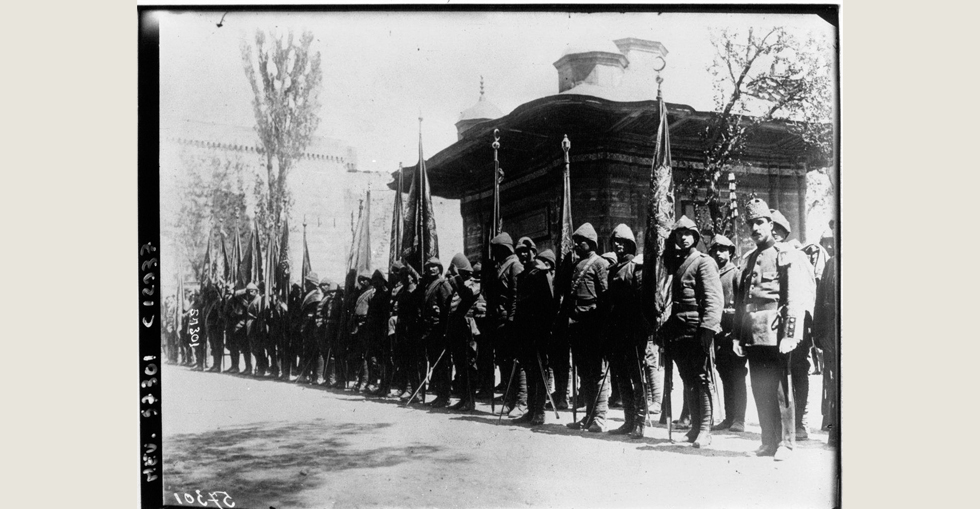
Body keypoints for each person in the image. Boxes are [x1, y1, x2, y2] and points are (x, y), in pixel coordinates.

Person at [734, 199, 815, 461]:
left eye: (760, 223)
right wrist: (738, 335)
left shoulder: (786, 254)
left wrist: (791, 334)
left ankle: (786, 443)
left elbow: (794, 297)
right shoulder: (750, 258)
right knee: (760, 388)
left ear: (770, 224)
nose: (755, 228)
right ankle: (768, 441)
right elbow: (742, 300)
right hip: (754, 332)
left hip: (776, 331)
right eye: (751, 224)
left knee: (781, 389)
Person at [662, 216, 723, 448]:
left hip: (697, 328)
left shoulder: (703, 262)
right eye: (680, 234)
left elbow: (713, 298)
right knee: (687, 378)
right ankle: (695, 427)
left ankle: (705, 429)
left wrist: (708, 328)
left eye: (689, 234)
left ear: (696, 237)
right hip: (678, 329)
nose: (684, 237)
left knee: (701, 377)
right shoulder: (676, 263)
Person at [770, 209, 818, 440]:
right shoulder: (765, 256)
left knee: (798, 371)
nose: (772, 234)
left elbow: (805, 295)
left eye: (776, 230)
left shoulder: (797, 256)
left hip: (798, 324)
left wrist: (797, 329)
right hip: (773, 326)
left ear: (783, 232)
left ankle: (800, 423)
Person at [562, 223, 611, 433]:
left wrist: (602, 325)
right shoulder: (576, 265)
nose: (575, 246)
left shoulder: (599, 264)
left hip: (593, 325)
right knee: (584, 373)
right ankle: (588, 415)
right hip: (578, 326)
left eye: (579, 242)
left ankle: (599, 417)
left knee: (597, 372)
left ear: (590, 243)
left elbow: (605, 295)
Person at [603, 224, 650, 438]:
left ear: (631, 243)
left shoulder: (637, 267)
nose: (618, 246)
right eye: (615, 242)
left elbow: (642, 301)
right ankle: (628, 419)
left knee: (637, 377)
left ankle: (640, 422)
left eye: (622, 242)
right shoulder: (613, 269)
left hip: (633, 331)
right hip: (615, 330)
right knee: (621, 377)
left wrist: (641, 330)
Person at [513, 248, 559, 425]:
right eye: (520, 252)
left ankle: (539, 411)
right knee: (530, 371)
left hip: (539, 331)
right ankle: (531, 410)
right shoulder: (522, 275)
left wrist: (543, 330)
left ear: (533, 252)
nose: (523, 255)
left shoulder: (541, 274)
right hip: (524, 331)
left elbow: (549, 304)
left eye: (526, 252)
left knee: (540, 371)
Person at [709, 234, 747, 433]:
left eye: (723, 250)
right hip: (716, 330)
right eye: (715, 250)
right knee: (724, 373)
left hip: (732, 330)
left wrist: (736, 333)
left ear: (731, 252)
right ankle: (728, 416)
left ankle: (739, 419)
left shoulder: (736, 274)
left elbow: (741, 305)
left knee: (737, 375)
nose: (719, 253)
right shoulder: (711, 273)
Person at [488, 233, 526, 416]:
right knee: (504, 363)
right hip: (499, 321)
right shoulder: (500, 267)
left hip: (511, 322)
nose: (493, 253)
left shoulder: (515, 266)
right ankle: (510, 400)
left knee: (516, 364)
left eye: (495, 249)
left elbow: (516, 297)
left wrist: (512, 320)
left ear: (503, 249)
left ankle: (521, 402)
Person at [812, 228, 838, 445]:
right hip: (832, 335)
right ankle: (833, 431)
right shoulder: (831, 264)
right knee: (832, 382)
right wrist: (819, 333)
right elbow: (820, 300)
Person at [445, 253, 480, 411]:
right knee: (459, 366)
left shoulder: (474, 283)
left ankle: (470, 400)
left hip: (468, 330)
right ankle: (463, 398)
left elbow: (467, 295)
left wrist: (456, 278)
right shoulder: (457, 284)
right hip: (456, 329)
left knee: (468, 365)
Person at [419, 257, 455, 407]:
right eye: (429, 267)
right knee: (435, 363)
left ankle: (445, 396)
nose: (432, 269)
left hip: (439, 329)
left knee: (443, 364)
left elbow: (448, 308)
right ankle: (440, 395)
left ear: (440, 268)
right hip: (430, 330)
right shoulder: (428, 285)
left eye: (435, 266)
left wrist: (446, 329)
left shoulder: (442, 284)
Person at [297, 272, 324, 384]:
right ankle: (307, 374)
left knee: (317, 352)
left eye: (308, 282)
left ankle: (318, 376)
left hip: (313, 328)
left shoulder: (316, 295)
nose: (306, 284)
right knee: (307, 351)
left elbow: (315, 313)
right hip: (307, 328)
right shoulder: (307, 294)